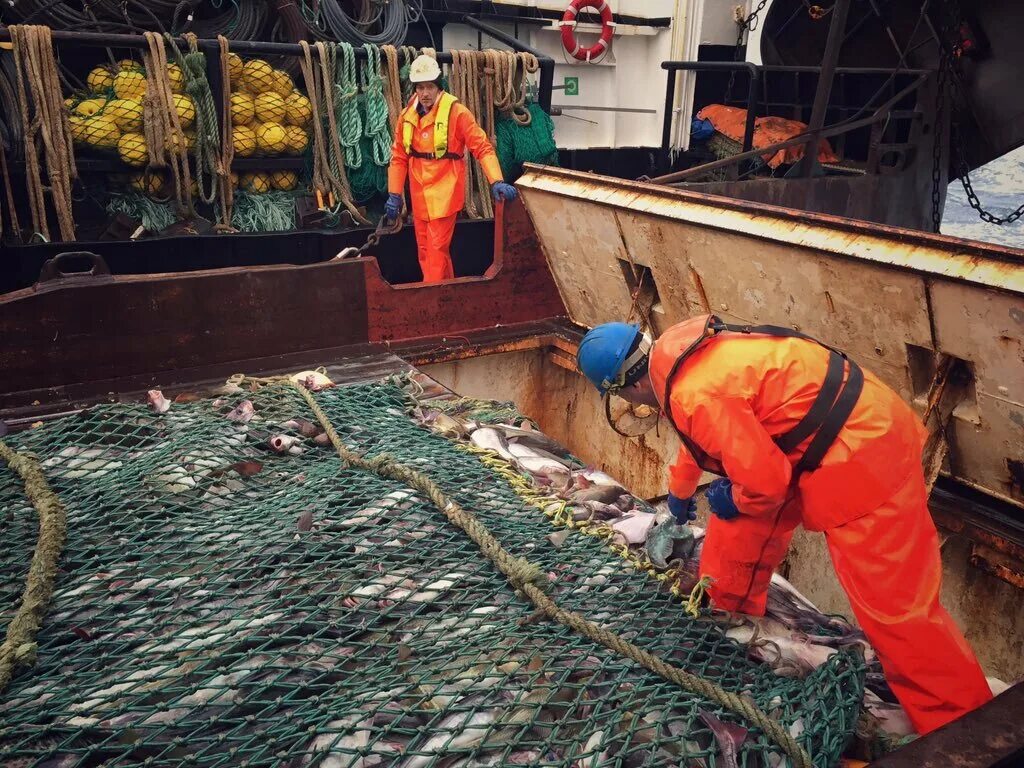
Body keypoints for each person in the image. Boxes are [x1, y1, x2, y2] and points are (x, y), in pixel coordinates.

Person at [576, 315, 993, 734]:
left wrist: (733, 495)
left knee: (898, 613)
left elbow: (765, 482)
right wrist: (681, 491)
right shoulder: (682, 358)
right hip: (818, 438)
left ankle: (963, 727)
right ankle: (730, 614)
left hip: (863, 457)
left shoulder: (694, 395)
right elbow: (707, 436)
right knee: (733, 522)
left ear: (627, 388)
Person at [384, 54, 517, 283]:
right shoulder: (407, 116)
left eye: (429, 87)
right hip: (420, 196)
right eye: (420, 87)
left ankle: (431, 302)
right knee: (425, 251)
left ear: (438, 86)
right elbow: (398, 157)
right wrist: (394, 195)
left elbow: (482, 147)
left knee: (435, 251)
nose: (425, 93)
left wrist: (496, 181)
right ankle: (447, 294)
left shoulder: (457, 113)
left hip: (445, 193)